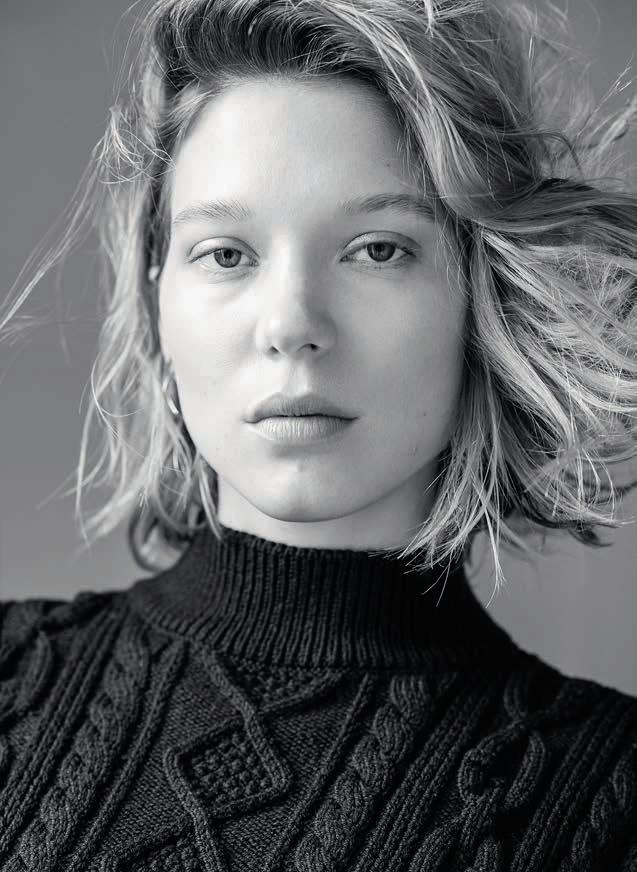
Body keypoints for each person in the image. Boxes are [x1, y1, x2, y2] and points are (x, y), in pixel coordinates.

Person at [1, 0, 636, 869]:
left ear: (483, 294)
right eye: (226, 253)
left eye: (377, 249)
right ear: (157, 300)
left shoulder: (606, 798)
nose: (292, 324)